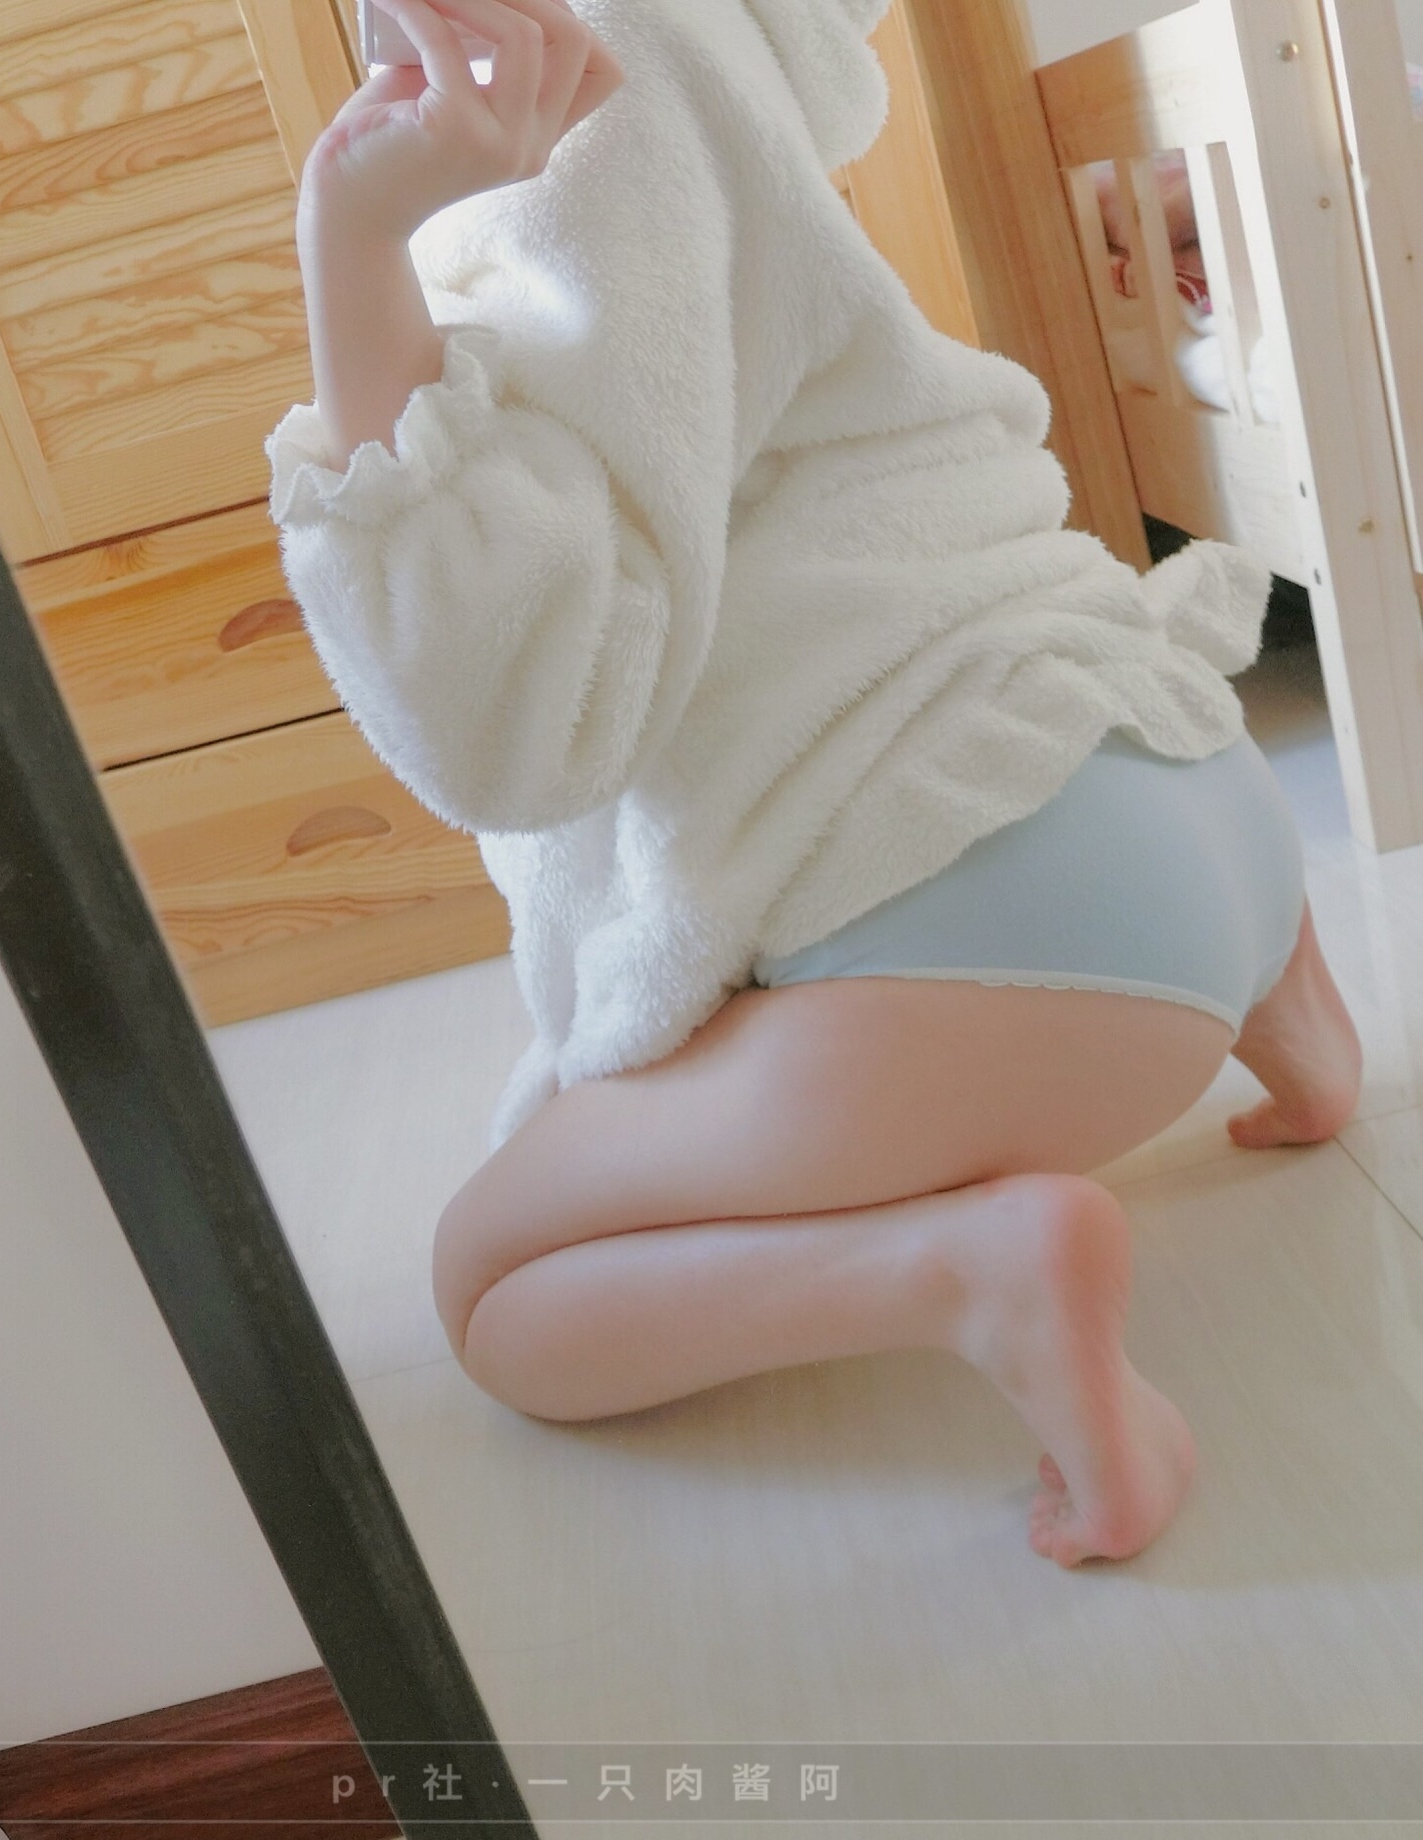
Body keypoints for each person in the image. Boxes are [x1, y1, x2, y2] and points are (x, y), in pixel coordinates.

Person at [266, 0, 1362, 1567]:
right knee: (1001, 678)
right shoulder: (730, 68)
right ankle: (1303, 1043)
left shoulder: (562, 143)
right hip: (1192, 777)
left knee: (494, 1294)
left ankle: (974, 1274)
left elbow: (518, 724)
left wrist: (353, 237)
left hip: (1002, 936)